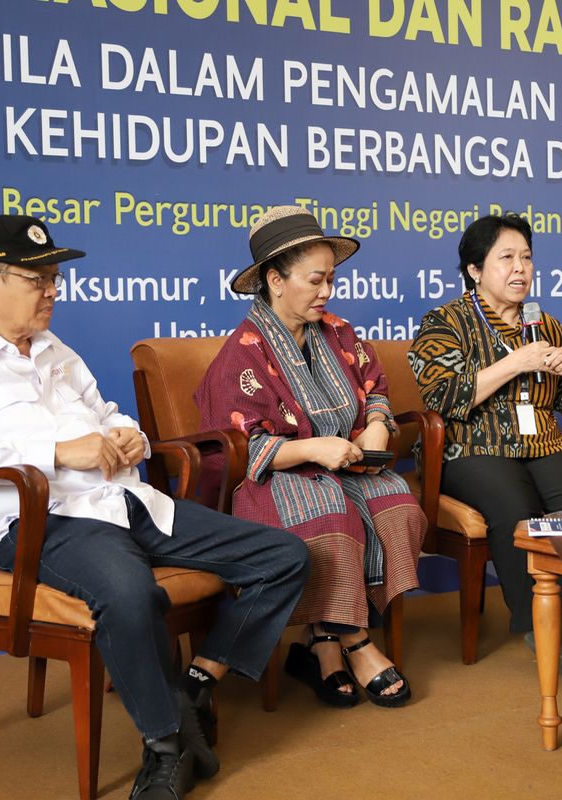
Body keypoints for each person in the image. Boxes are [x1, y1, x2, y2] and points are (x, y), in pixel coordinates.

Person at [0, 215, 309, 800]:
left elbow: (105, 409)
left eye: (55, 277)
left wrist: (127, 434)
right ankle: (166, 744)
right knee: (128, 589)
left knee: (283, 555)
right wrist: (60, 451)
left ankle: (195, 684)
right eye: (37, 279)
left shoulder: (54, 349)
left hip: (123, 501)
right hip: (39, 520)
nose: (53, 291)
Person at [195, 206, 425, 708]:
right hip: (272, 475)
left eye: (332, 280)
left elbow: (375, 387)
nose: (328, 292)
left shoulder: (339, 333)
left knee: (397, 504)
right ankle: (356, 643)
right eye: (316, 281)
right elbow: (237, 448)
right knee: (329, 521)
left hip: (343, 467)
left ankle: (319, 644)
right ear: (275, 280)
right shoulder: (242, 354)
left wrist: (379, 425)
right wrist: (312, 448)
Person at [408, 213, 562, 682]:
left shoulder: (546, 324)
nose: (520, 268)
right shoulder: (445, 320)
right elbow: (443, 396)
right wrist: (514, 362)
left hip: (540, 440)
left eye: (526, 258)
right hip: (470, 447)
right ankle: (538, 625)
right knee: (515, 505)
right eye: (507, 258)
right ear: (475, 270)